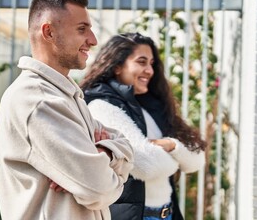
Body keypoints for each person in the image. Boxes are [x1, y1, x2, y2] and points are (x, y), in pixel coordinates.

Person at [0, 0, 134, 220]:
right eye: (82, 29)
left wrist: (105, 154)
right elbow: (100, 189)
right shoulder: (37, 100)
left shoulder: (64, 95)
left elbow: (127, 147)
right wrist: (104, 167)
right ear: (48, 32)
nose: (93, 40)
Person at [79, 32, 207, 220]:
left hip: (168, 213)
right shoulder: (102, 106)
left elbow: (197, 159)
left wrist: (171, 145)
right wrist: (179, 157)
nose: (150, 70)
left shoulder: (152, 107)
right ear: (117, 66)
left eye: (151, 63)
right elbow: (146, 165)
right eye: (141, 62)